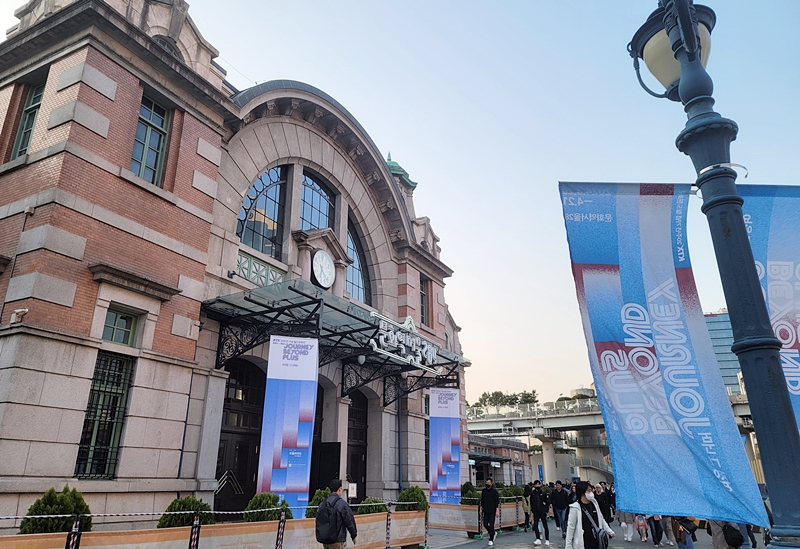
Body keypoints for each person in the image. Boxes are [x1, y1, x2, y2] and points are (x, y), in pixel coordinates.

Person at [565, 480, 615, 549]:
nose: (591, 493)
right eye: (588, 491)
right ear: (582, 493)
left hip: (597, 540)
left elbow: (601, 518)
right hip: (584, 542)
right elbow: (571, 527)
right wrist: (568, 545)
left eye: (591, 490)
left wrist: (609, 531)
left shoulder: (594, 503)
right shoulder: (575, 507)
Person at [318, 479, 357, 548]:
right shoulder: (342, 504)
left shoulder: (323, 503)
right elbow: (349, 521)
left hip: (325, 540)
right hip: (337, 540)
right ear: (339, 489)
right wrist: (353, 535)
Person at [480, 477, 500, 546]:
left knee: (491, 525)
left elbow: (497, 501)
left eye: (488, 483)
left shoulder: (494, 492)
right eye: (486, 482)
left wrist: (497, 510)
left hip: (492, 510)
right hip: (485, 510)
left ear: (491, 483)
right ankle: (493, 533)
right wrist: (481, 509)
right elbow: (482, 500)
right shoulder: (484, 491)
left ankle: (491, 539)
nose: (487, 484)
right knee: (485, 524)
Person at [531, 480, 551, 545]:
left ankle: (547, 539)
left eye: (538, 484)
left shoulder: (543, 492)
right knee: (536, 525)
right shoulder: (533, 493)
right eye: (536, 484)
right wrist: (532, 510)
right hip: (536, 512)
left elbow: (547, 501)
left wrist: (546, 510)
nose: (537, 486)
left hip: (542, 511)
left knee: (545, 525)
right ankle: (538, 538)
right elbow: (531, 502)